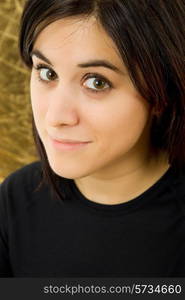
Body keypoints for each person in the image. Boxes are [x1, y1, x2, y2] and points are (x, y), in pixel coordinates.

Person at [0, 0, 184, 277]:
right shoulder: (14, 200)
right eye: (47, 73)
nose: (55, 116)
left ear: (162, 90)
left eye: (96, 82)